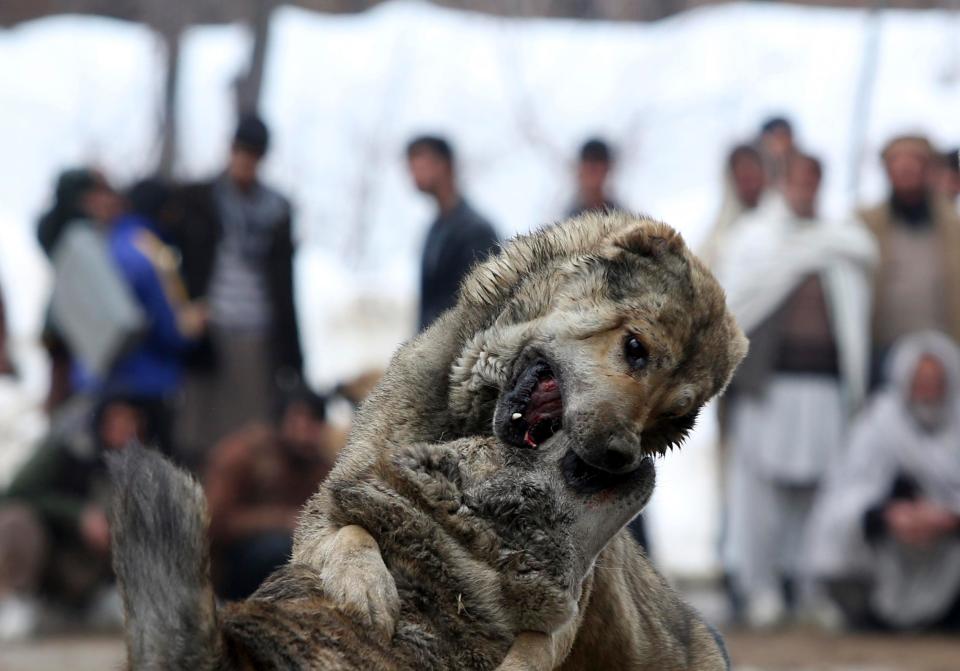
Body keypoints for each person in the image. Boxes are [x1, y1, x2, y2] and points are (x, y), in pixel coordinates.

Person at [718, 153, 876, 627]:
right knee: (761, 492)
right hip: (769, 385)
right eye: (799, 179)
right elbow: (736, 305)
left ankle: (812, 586)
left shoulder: (840, 243)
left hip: (825, 385)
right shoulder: (753, 239)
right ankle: (761, 586)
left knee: (820, 492)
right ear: (781, 183)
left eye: (815, 180)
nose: (807, 187)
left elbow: (855, 314)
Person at [169, 114, 302, 466]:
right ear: (231, 150)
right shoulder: (198, 199)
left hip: (259, 333)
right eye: (241, 151)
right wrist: (183, 309)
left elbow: (286, 286)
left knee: (252, 437)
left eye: (254, 154)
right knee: (199, 436)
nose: (246, 161)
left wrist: (293, 357)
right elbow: (159, 244)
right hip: (209, 332)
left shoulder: (277, 210)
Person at [809, 331, 960, 631]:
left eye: (935, 382)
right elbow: (846, 492)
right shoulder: (877, 425)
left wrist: (947, 517)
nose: (927, 390)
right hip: (886, 551)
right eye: (920, 381)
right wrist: (888, 515)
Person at [0, 396, 155, 640]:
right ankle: (17, 603)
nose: (125, 428)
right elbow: (13, 494)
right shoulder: (65, 451)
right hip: (50, 557)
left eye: (133, 420)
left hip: (93, 571)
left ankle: (113, 600)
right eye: (117, 418)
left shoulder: (142, 468)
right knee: (15, 520)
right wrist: (76, 515)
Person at [95, 179, 204, 455]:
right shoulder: (154, 254)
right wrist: (195, 324)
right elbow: (172, 330)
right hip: (149, 388)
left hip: (100, 383)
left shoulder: (106, 244)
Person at [204, 388, 336, 600]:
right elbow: (215, 522)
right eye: (297, 423)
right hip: (233, 569)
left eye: (312, 424)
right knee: (279, 548)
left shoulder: (321, 465)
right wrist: (281, 520)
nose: (304, 434)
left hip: (291, 561)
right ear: (281, 423)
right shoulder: (241, 455)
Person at [860, 135, 960, 382]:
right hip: (881, 353)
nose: (906, 169)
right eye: (898, 162)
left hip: (942, 357)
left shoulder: (953, 230)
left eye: (915, 162)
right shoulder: (864, 226)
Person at [407, 135, 499, 331]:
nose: (413, 174)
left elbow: (482, 307)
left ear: (444, 165)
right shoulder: (435, 230)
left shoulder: (475, 231)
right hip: (431, 351)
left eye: (419, 165)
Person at [700, 144, 767, 268]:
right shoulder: (720, 235)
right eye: (745, 179)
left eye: (754, 175)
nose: (752, 185)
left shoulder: (780, 217)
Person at [567, 138, 622, 217]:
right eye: (588, 163)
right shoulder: (565, 216)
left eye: (598, 163)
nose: (592, 169)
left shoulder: (620, 214)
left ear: (607, 169)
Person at [757, 116, 797, 191]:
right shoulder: (755, 164)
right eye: (779, 137)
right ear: (765, 139)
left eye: (786, 136)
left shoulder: (798, 164)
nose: (783, 142)